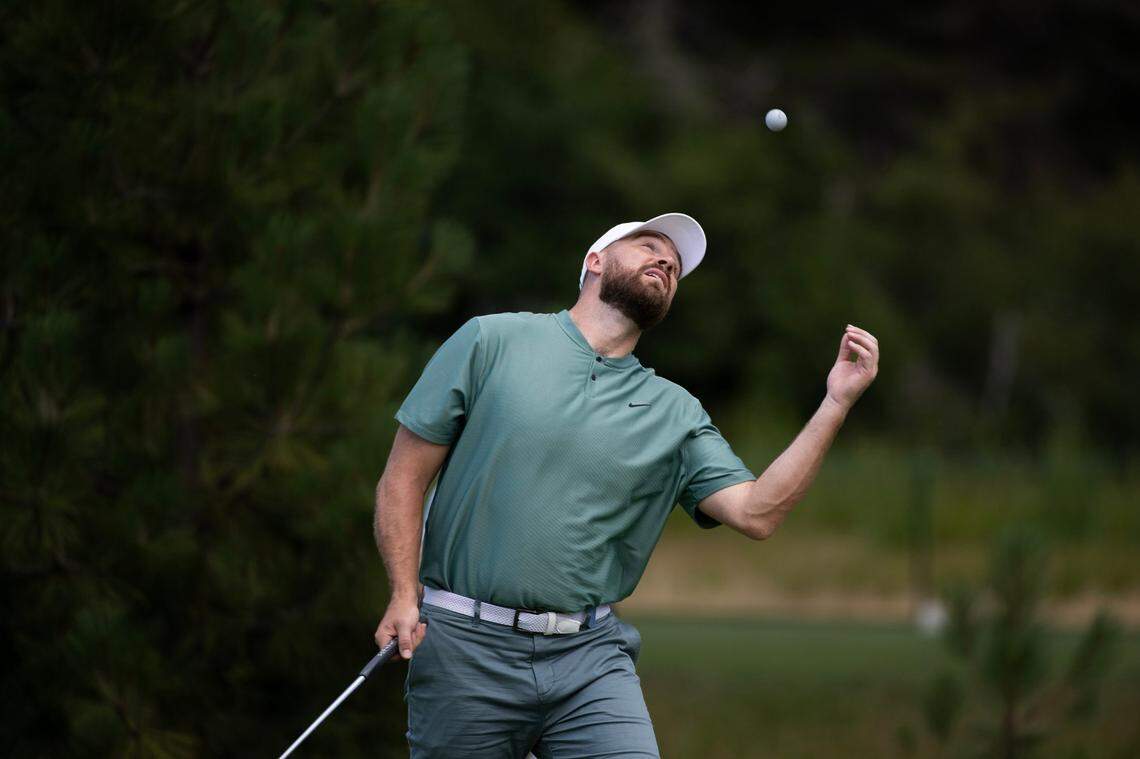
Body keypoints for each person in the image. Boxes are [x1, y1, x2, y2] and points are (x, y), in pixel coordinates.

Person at [373, 212, 880, 758]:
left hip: (590, 658)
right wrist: (403, 594)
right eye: (648, 246)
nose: (666, 261)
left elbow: (758, 512)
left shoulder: (675, 411)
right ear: (595, 261)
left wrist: (835, 403)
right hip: (465, 647)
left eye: (676, 265)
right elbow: (403, 477)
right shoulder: (491, 341)